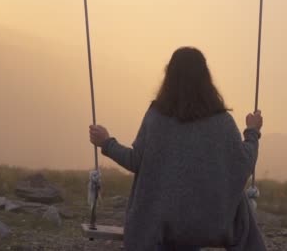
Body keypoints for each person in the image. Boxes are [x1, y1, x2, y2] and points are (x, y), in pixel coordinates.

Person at [89, 47, 266, 251]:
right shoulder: (222, 122)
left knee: (159, 214)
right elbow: (243, 164)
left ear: (169, 76)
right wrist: (252, 131)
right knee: (240, 201)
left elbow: (135, 161)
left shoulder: (156, 117)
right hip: (209, 225)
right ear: (205, 79)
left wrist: (106, 142)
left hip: (160, 227)